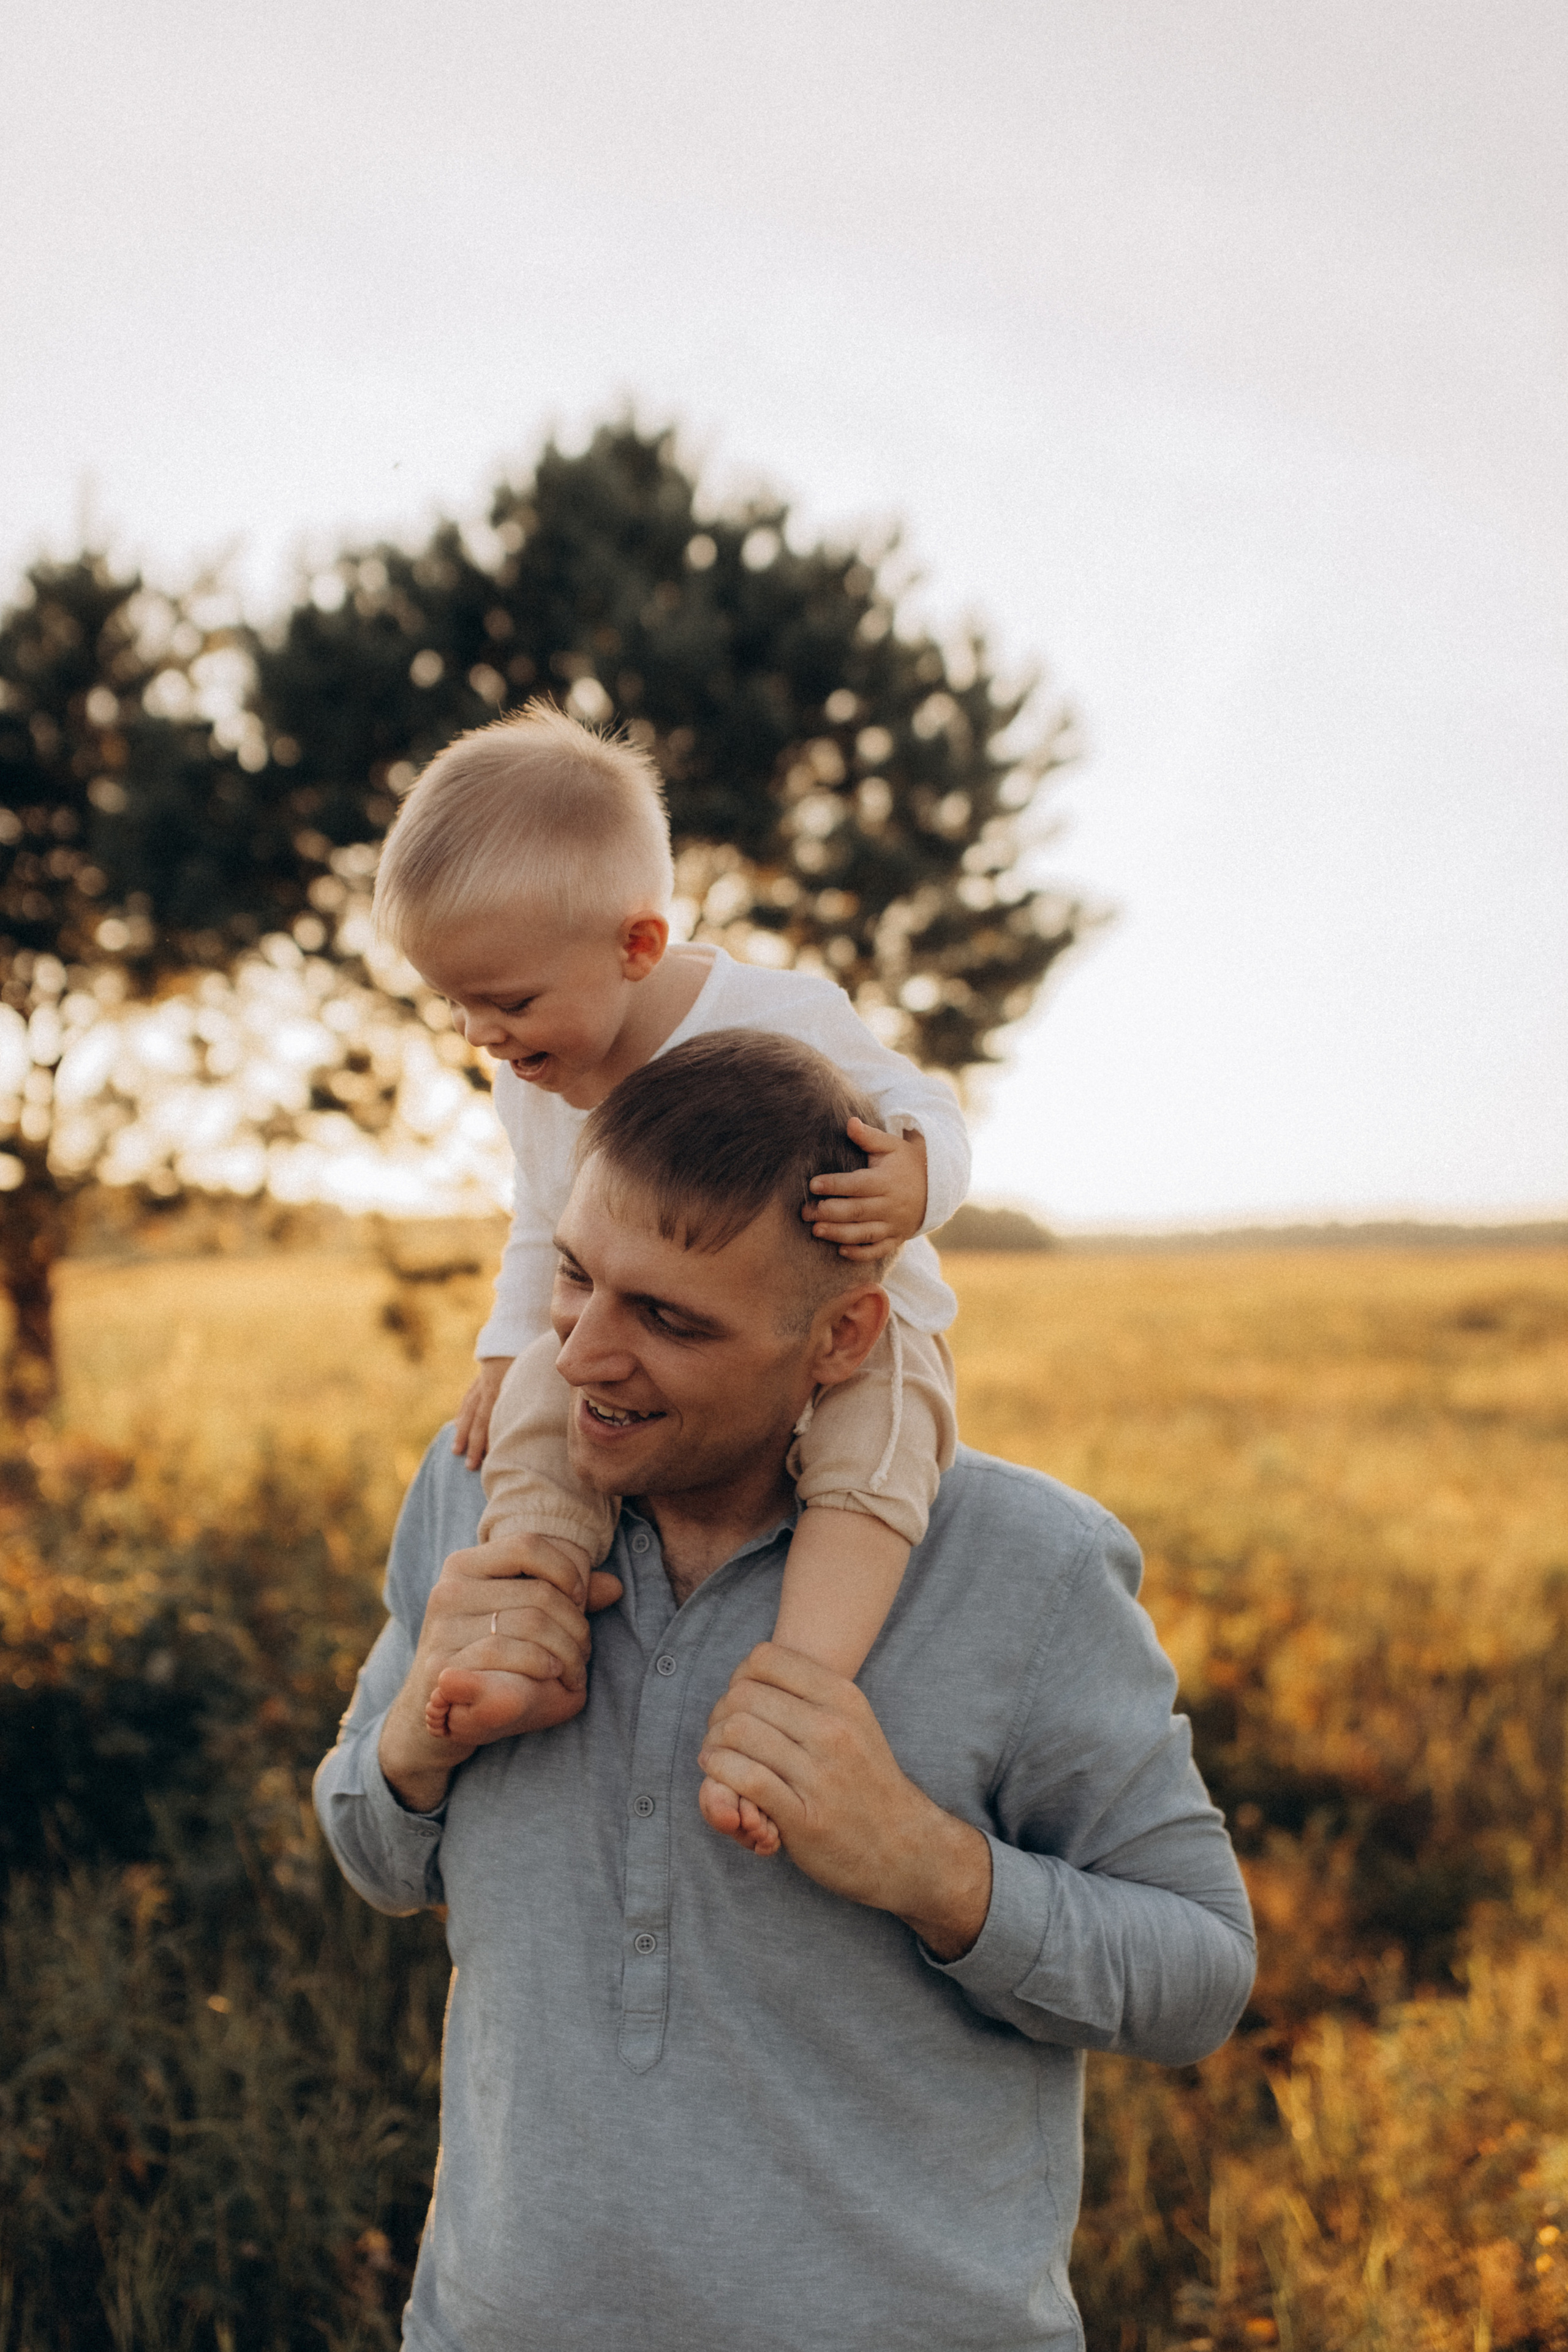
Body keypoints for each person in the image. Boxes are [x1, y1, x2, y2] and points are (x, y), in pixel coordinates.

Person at [315, 1030, 1256, 2352]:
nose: (580, 1355)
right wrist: (417, 1738)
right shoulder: (472, 1484)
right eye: (576, 1279)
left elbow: (1200, 1975)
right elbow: (370, 1849)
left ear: (841, 1337)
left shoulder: (1029, 1564)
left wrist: (931, 1867)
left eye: (669, 1319)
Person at [371, 702, 969, 1852]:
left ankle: (793, 1703)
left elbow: (928, 1108)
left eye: (508, 1001)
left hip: (853, 1327)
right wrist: (505, 1348)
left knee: (873, 1459)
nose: (480, 1033)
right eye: (455, 1002)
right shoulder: (535, 1077)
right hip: (636, 1347)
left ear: (637, 946)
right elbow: (542, 1219)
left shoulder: (778, 1015)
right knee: (538, 1405)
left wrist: (917, 1176)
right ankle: (527, 1622)